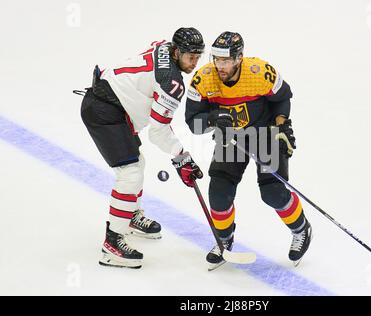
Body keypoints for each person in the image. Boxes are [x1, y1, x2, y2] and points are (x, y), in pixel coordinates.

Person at [185, 31, 312, 270]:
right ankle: (224, 239)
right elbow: (193, 123)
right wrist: (212, 119)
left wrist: (282, 123)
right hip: (231, 139)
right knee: (219, 193)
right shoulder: (204, 79)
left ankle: (301, 228)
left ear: (239, 57)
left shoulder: (259, 72)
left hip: (265, 134)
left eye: (225, 60)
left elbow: (284, 97)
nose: (219, 66)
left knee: (272, 193)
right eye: (216, 59)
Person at [80, 27, 204, 269]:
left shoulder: (163, 46)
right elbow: (158, 132)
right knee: (130, 172)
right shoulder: (172, 83)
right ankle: (112, 243)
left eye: (198, 56)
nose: (195, 63)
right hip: (105, 111)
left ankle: (130, 216)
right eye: (190, 57)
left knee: (138, 164)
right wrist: (182, 156)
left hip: (111, 103)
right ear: (177, 52)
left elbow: (151, 56)